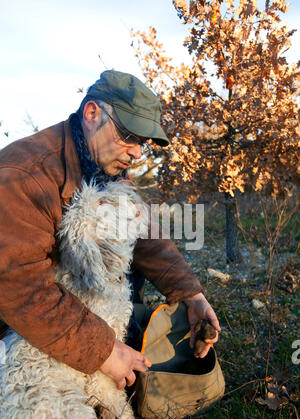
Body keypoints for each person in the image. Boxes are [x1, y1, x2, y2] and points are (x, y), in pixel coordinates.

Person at [0, 70, 220, 392]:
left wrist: (190, 292)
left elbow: (143, 232)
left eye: (142, 143)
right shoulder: (23, 178)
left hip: (59, 299)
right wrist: (105, 351)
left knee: (127, 267)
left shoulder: (104, 166)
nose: (137, 153)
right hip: (14, 316)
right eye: (129, 136)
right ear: (91, 114)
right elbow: (21, 290)